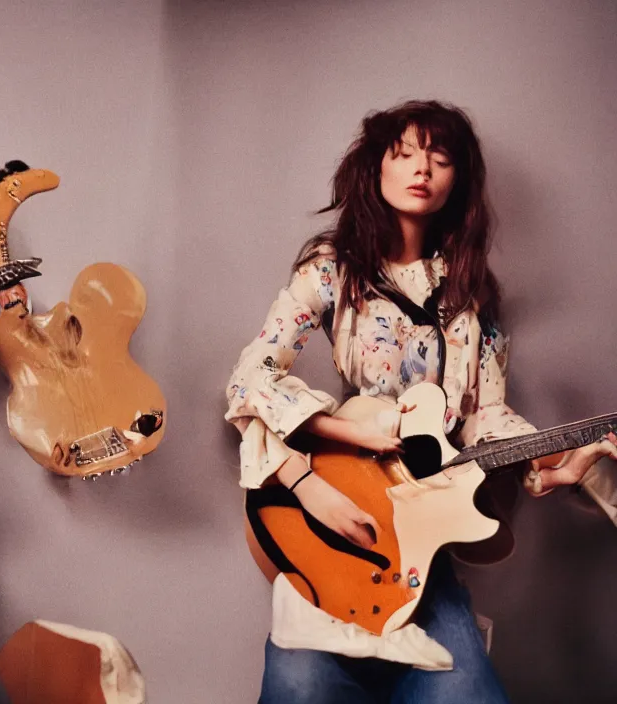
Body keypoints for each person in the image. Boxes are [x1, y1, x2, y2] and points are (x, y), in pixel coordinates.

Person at [224, 100, 617, 704]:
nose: (422, 169)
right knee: (301, 689)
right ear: (375, 168)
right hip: (344, 499)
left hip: (425, 536)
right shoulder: (331, 269)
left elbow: (487, 414)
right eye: (404, 153)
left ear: (458, 180)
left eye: (440, 158)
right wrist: (311, 475)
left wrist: (552, 462)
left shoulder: (473, 293)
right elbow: (251, 377)